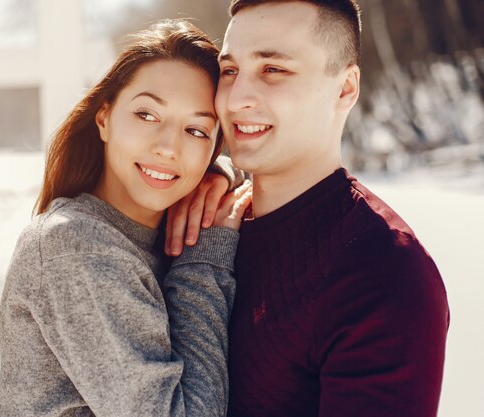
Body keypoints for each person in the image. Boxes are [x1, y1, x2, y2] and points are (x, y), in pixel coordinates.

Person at [166, 1, 450, 416]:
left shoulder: (383, 271)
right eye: (229, 71)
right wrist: (214, 170)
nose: (236, 99)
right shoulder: (195, 220)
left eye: (273, 70)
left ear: (345, 89)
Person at [0, 19, 252, 417]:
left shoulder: (145, 232)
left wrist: (220, 176)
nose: (168, 147)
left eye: (196, 131)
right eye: (147, 115)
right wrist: (202, 258)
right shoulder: (75, 246)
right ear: (104, 119)